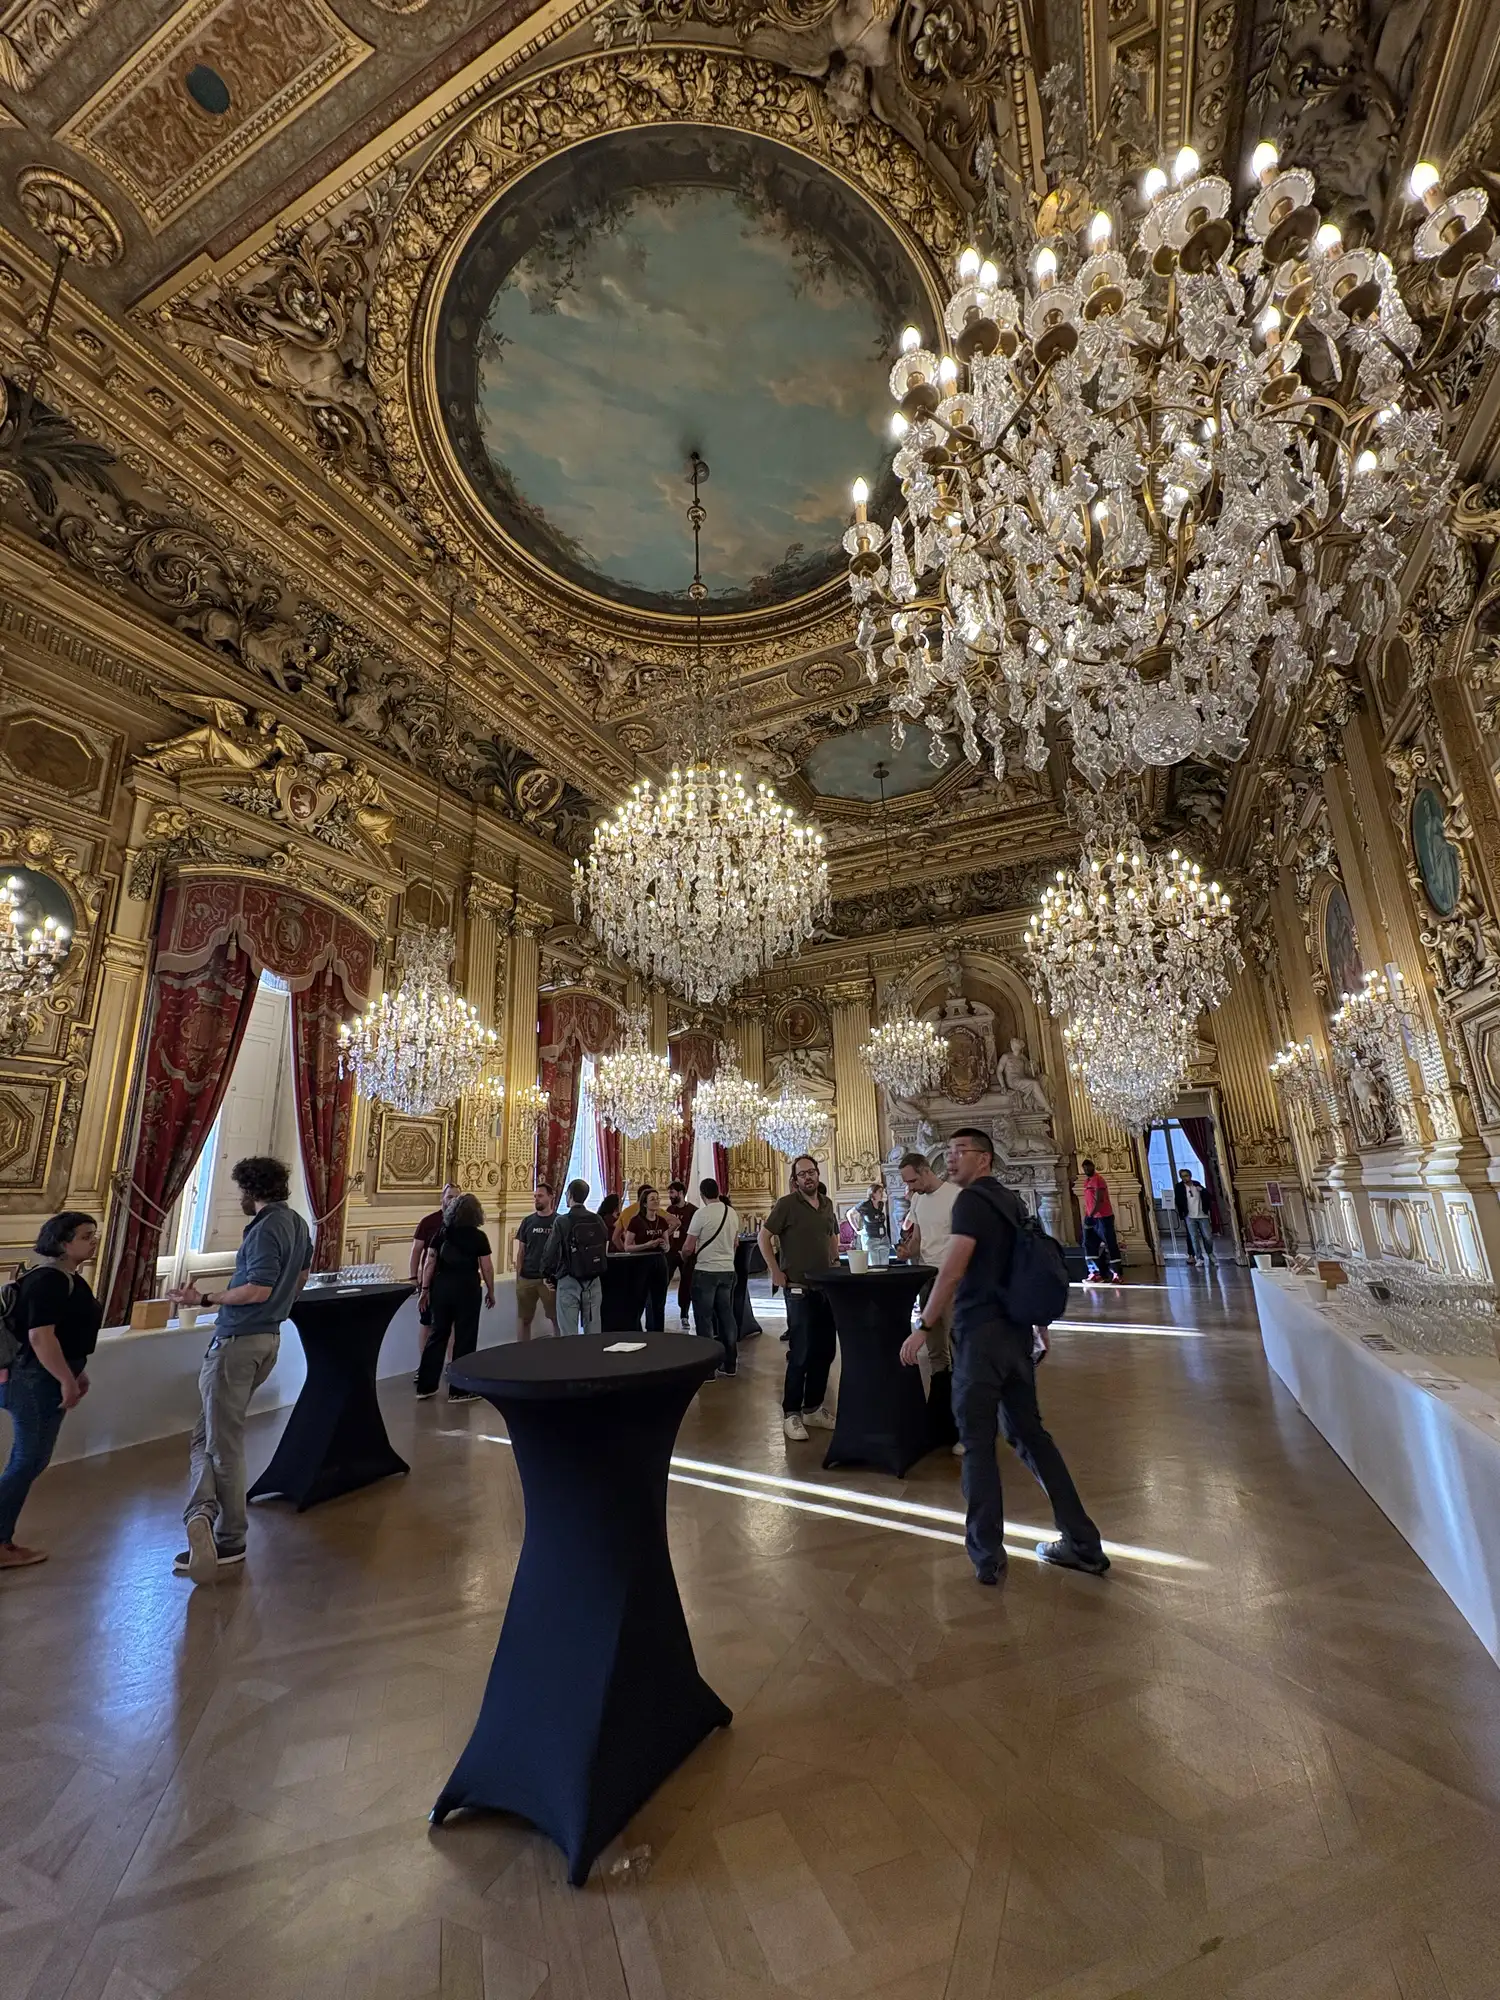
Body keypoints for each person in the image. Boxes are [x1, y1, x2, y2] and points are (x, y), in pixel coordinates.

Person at [901, 1128, 1107, 1586]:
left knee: (976, 1446)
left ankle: (986, 1555)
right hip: (1015, 1340)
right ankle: (1082, 1543)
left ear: (985, 1160)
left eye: (961, 1152)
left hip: (979, 1341)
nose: (951, 1160)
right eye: (948, 1152)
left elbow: (952, 1270)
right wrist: (1039, 1326)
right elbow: (1028, 1265)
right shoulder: (1012, 1202)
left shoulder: (971, 1202)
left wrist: (924, 1325)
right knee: (1032, 1438)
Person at [168, 1156, 310, 1583]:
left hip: (239, 1342)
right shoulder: (299, 1225)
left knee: (222, 1442)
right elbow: (299, 1278)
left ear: (251, 1191)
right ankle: (201, 1514)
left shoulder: (266, 1228)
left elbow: (258, 1287)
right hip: (268, 1338)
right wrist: (277, 1306)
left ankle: (229, 1536)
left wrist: (206, 1300)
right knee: (206, 1435)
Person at [0, 1212, 101, 1571]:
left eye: (95, 1234)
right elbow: (40, 1336)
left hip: (42, 1376)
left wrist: (78, 1370)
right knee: (28, 1460)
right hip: (34, 1380)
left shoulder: (66, 1278)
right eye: (87, 1235)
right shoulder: (49, 1281)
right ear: (63, 1241)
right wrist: (66, 1380)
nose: (94, 1240)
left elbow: (66, 1334)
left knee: (29, 1460)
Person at [759, 1154, 839, 1442]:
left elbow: (831, 1233)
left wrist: (835, 1258)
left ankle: (813, 1408)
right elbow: (763, 1237)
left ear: (818, 1174)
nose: (809, 1177)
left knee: (825, 1351)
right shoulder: (787, 1205)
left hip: (826, 1288)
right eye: (802, 1174)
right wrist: (775, 1271)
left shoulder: (827, 1204)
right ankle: (791, 1413)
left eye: (812, 1172)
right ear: (795, 1180)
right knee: (801, 1352)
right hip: (798, 1289)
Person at [896, 1150, 962, 1455]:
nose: (909, 1187)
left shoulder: (956, 1196)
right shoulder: (918, 1200)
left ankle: (966, 1427)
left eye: (911, 1180)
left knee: (960, 1350)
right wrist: (906, 1251)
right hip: (928, 1280)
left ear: (925, 1171)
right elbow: (918, 1241)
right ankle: (939, 1422)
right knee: (937, 1353)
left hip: (955, 1282)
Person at [416, 1192, 495, 1401]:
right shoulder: (479, 1237)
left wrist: (425, 1290)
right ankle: (459, 1390)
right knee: (465, 1336)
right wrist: (491, 1290)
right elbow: (486, 1266)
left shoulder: (441, 1233)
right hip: (468, 1287)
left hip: (442, 1287)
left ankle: (425, 1386)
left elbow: (429, 1262)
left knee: (437, 1334)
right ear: (476, 1213)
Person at [685, 1177, 740, 1376]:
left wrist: (683, 1256)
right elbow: (735, 1244)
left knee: (704, 1319)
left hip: (706, 1271)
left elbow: (689, 1247)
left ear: (701, 1194)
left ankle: (708, 1370)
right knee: (726, 1316)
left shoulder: (701, 1214)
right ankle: (731, 1363)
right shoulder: (731, 1212)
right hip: (727, 1270)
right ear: (718, 1191)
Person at [544, 1179, 609, 1337]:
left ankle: (573, 1360)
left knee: (569, 1331)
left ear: (570, 1195)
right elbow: (604, 1245)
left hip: (569, 1278)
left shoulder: (562, 1221)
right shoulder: (597, 1219)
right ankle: (593, 1360)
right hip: (593, 1280)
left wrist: (547, 1274)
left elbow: (550, 1250)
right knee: (593, 1330)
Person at [410, 1182, 459, 1339]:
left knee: (452, 1325)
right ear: (442, 1198)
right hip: (430, 1281)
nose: (453, 1200)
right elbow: (416, 1250)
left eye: (457, 1198)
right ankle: (425, 1363)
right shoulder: (429, 1222)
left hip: (453, 1281)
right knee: (428, 1324)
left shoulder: (462, 1224)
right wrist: (413, 1277)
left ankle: (451, 1363)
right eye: (450, 1196)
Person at [621, 1184, 670, 1331]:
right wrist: (647, 1245)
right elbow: (627, 1247)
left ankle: (658, 1332)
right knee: (639, 1300)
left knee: (659, 1301)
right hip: (641, 1262)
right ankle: (636, 1331)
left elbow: (667, 1245)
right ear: (644, 1203)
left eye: (657, 1198)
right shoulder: (636, 1221)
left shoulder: (661, 1221)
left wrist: (664, 1246)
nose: (656, 1201)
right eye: (652, 1199)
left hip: (659, 1262)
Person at [512, 1182, 558, 1338]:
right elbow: (521, 1252)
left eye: (540, 1196)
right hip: (527, 1276)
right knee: (524, 1318)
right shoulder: (528, 1221)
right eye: (535, 1196)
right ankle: (522, 1352)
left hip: (549, 1279)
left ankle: (561, 1349)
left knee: (555, 1318)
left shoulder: (559, 1221)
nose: (537, 1199)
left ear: (550, 1197)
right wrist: (518, 1277)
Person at [1080, 1157, 1123, 1282]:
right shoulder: (1087, 1181)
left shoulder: (1098, 1180)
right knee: (1089, 1244)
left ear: (1093, 1167)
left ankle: (1116, 1274)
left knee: (1110, 1244)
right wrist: (1088, 1215)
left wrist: (1091, 1214)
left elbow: (1099, 1200)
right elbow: (1088, 1201)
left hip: (1103, 1217)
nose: (1087, 1169)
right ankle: (1095, 1273)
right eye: (1084, 1168)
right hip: (1091, 1217)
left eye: (1089, 1167)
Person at [665, 1180, 697, 1323]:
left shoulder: (693, 1211)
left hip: (687, 1253)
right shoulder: (669, 1211)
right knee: (664, 1280)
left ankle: (684, 1313)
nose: (670, 1196)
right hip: (671, 1252)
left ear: (681, 1193)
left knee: (686, 1284)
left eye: (672, 1192)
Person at [1175, 1167, 1215, 1268]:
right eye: (1182, 1176)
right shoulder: (1179, 1187)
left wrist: (1203, 1191)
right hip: (1189, 1216)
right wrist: (1182, 1215)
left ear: (1190, 1176)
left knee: (1208, 1236)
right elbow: (1179, 1201)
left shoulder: (1197, 1184)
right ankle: (1199, 1258)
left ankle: (1210, 1253)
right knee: (1194, 1238)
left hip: (1202, 1215)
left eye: (1186, 1176)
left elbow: (1209, 1197)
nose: (1185, 1178)